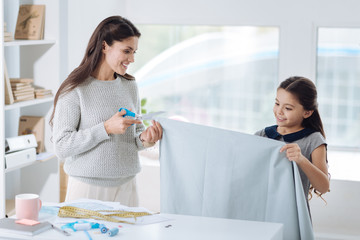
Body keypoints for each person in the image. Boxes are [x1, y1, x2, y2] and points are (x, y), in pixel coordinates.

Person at [50, 16, 163, 206]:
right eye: (126, 51)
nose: (132, 59)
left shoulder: (129, 85)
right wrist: (106, 128)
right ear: (105, 46)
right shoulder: (75, 88)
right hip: (87, 188)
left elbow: (133, 137)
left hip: (127, 186)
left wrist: (146, 139)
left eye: (134, 52)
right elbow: (61, 146)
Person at [255, 76, 330, 214]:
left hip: (293, 214)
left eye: (288, 108)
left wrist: (301, 159)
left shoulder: (313, 140)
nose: (279, 111)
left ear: (307, 112)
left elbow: (323, 187)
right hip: (262, 209)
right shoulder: (262, 135)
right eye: (277, 104)